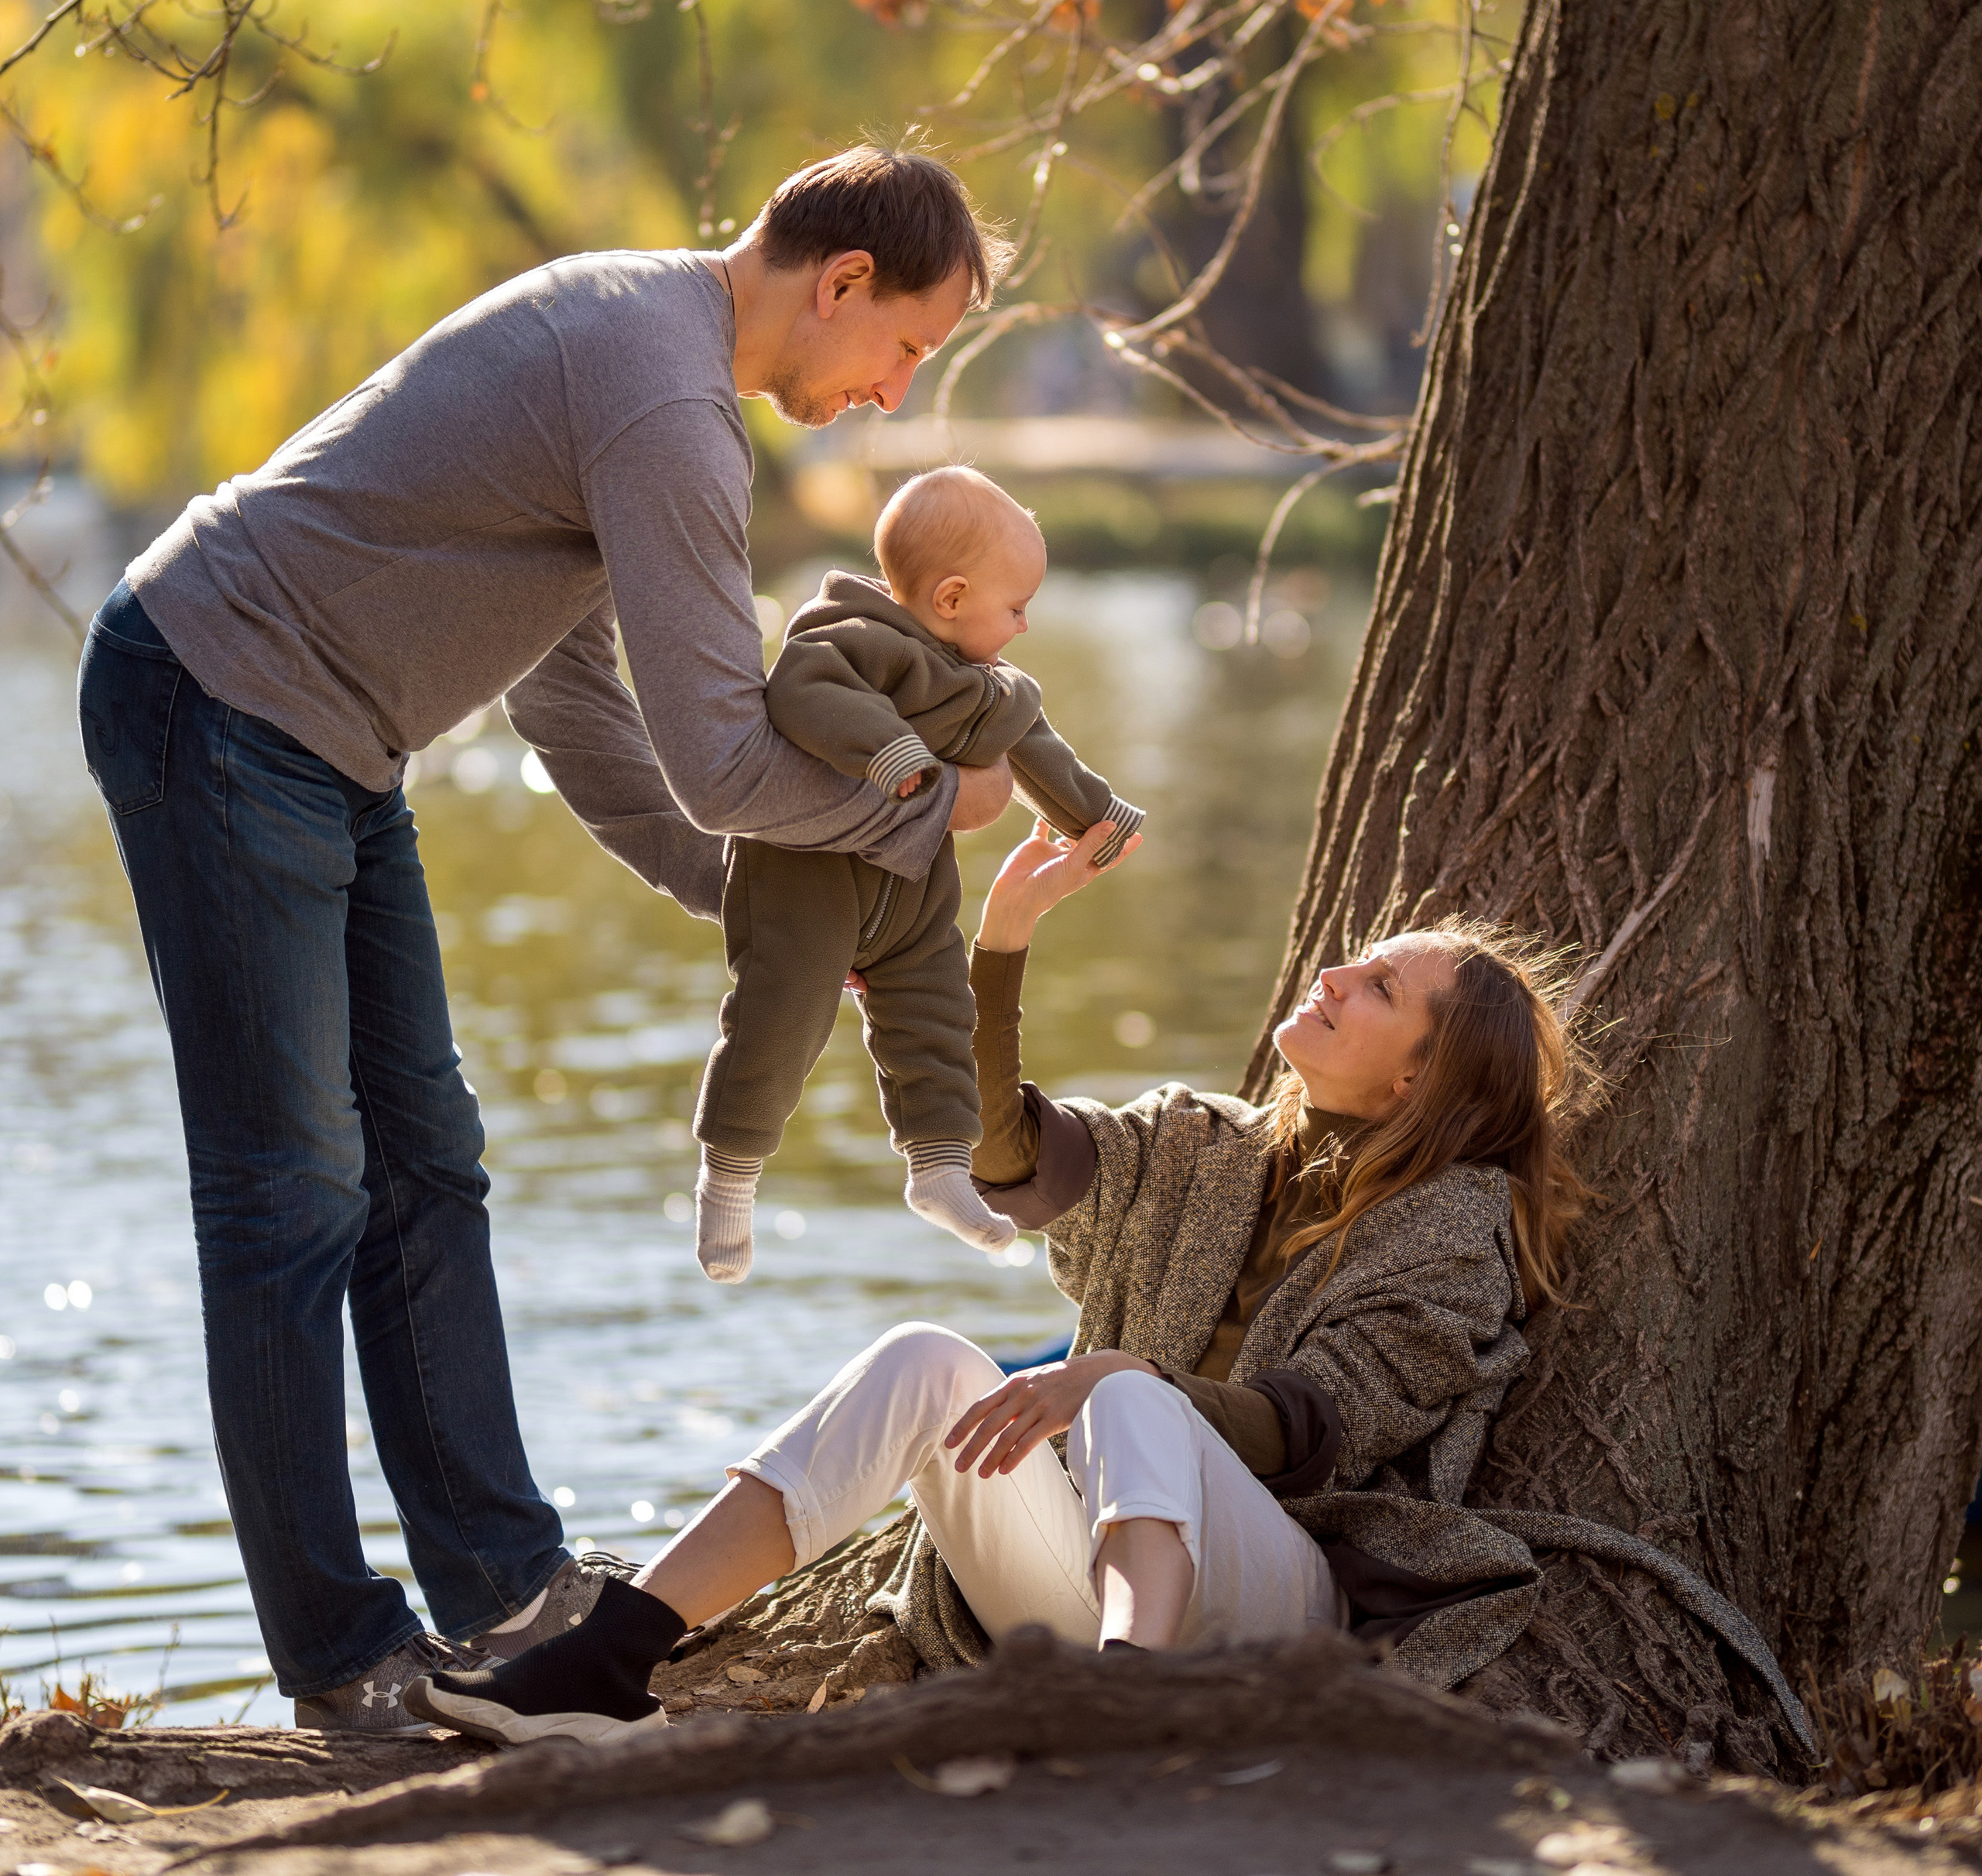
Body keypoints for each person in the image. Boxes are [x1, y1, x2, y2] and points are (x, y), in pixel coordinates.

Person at [72, 143, 1019, 1733]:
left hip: (327, 742)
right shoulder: (666, 407)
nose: (893, 391)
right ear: (842, 280)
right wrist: (923, 816)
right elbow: (723, 759)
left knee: (425, 1165)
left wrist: (770, 912)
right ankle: (339, 1660)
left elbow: (575, 711)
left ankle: (504, 1587)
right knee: (290, 1193)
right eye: (905, 346)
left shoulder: (648, 357)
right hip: (216, 697)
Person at [403, 815, 1593, 1747]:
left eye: (1380, 988)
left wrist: (1125, 1377)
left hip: (1278, 1599)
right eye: (1358, 963)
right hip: (1086, 1584)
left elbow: (1324, 1428)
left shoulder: (1452, 1228)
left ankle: (1122, 1714)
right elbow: (1005, 1153)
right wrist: (1004, 939)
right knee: (926, 1359)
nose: (1334, 973)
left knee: (1131, 1398)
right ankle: (604, 1664)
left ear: (1419, 1082)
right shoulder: (1207, 1144)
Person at [693, 466, 1144, 1284]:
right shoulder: (850, 638)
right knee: (780, 1020)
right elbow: (805, 692)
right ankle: (730, 1174)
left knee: (937, 1010)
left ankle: (938, 1166)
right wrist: (892, 751)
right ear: (951, 597)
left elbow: (1041, 753)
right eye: (1016, 607)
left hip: (911, 888)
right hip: (807, 881)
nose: (1026, 623)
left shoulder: (988, 686)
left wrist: (1099, 822)